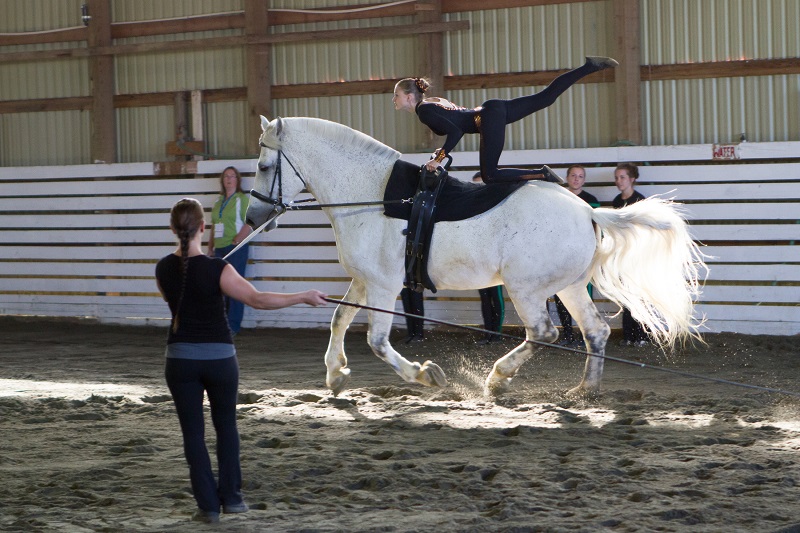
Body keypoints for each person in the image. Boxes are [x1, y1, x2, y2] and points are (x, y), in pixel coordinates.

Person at [156, 198, 326, 524]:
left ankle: (207, 507)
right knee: (226, 428)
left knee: (192, 435)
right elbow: (257, 300)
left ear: (172, 228)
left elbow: (173, 298)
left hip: (180, 361)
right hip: (220, 360)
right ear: (203, 227)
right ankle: (232, 499)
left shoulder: (163, 268)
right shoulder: (219, 268)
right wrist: (303, 295)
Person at [393, 56, 618, 182]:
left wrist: (439, 158)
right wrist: (436, 155)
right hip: (492, 109)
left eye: (397, 95)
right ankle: (590, 67)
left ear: (410, 96)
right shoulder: (432, 101)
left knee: (489, 175)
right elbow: (455, 122)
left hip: (486, 118)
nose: (394, 100)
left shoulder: (424, 111)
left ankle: (542, 174)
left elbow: (456, 131)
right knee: (546, 98)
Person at [553, 165, 599, 347]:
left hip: (582, 255)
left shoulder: (591, 201)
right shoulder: (559, 199)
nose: (577, 179)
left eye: (580, 176)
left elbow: (596, 229)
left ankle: (585, 334)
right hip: (561, 254)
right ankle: (567, 333)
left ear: (584, 180)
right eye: (573, 175)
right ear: (568, 177)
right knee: (561, 294)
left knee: (583, 295)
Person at [208, 166, 253, 335]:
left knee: (235, 286)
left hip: (235, 248)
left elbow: (250, 222)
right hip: (219, 248)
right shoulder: (218, 201)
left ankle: (233, 325)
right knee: (221, 287)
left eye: (232, 176)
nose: (228, 179)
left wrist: (239, 239)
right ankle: (222, 323)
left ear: (237, 180)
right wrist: (210, 246)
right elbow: (213, 225)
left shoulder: (241, 199)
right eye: (226, 176)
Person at [612, 162, 649, 347]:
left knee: (640, 295)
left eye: (622, 177)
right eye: (617, 178)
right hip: (623, 253)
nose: (619, 181)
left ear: (632, 179)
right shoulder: (617, 201)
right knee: (625, 295)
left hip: (638, 254)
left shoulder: (640, 201)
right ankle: (628, 334)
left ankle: (642, 335)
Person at [471, 173, 505, 344]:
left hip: (495, 260)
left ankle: (496, 333)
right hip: (479, 260)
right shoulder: (470, 209)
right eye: (475, 185)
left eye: (481, 185)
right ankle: (488, 333)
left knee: (496, 295)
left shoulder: (496, 207)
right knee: (485, 297)